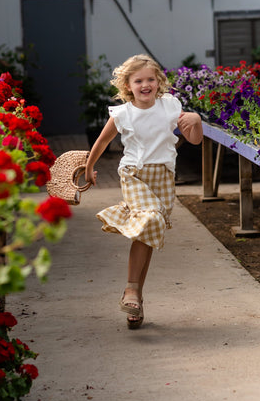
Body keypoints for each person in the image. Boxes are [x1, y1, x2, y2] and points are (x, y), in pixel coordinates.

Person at [85, 54, 203, 329]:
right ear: (128, 85)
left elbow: (194, 140)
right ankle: (130, 289)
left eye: (150, 79)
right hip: (134, 175)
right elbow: (102, 142)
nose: (145, 84)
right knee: (149, 221)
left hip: (163, 177)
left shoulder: (170, 106)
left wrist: (195, 120)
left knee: (147, 234)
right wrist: (89, 168)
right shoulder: (123, 113)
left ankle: (135, 300)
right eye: (139, 80)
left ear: (158, 81)